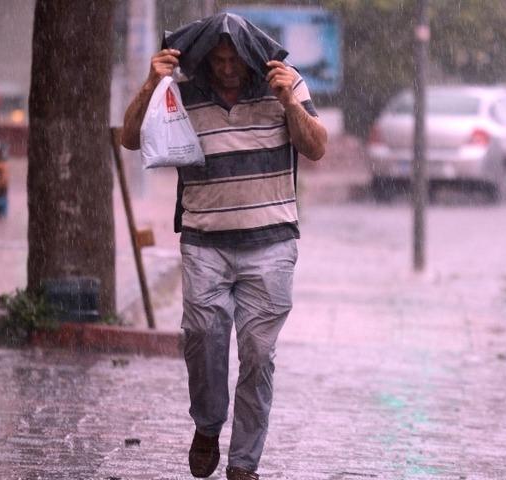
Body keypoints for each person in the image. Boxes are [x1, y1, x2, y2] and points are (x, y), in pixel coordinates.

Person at [121, 14, 327, 480]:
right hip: (204, 243)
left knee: (257, 354)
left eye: (235, 60)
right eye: (219, 59)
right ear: (206, 59)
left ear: (250, 58)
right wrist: (151, 82)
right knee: (202, 336)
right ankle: (209, 425)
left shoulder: (285, 82)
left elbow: (315, 147)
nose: (228, 68)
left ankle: (243, 463)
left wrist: (289, 102)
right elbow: (131, 138)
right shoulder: (182, 90)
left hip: (270, 244)